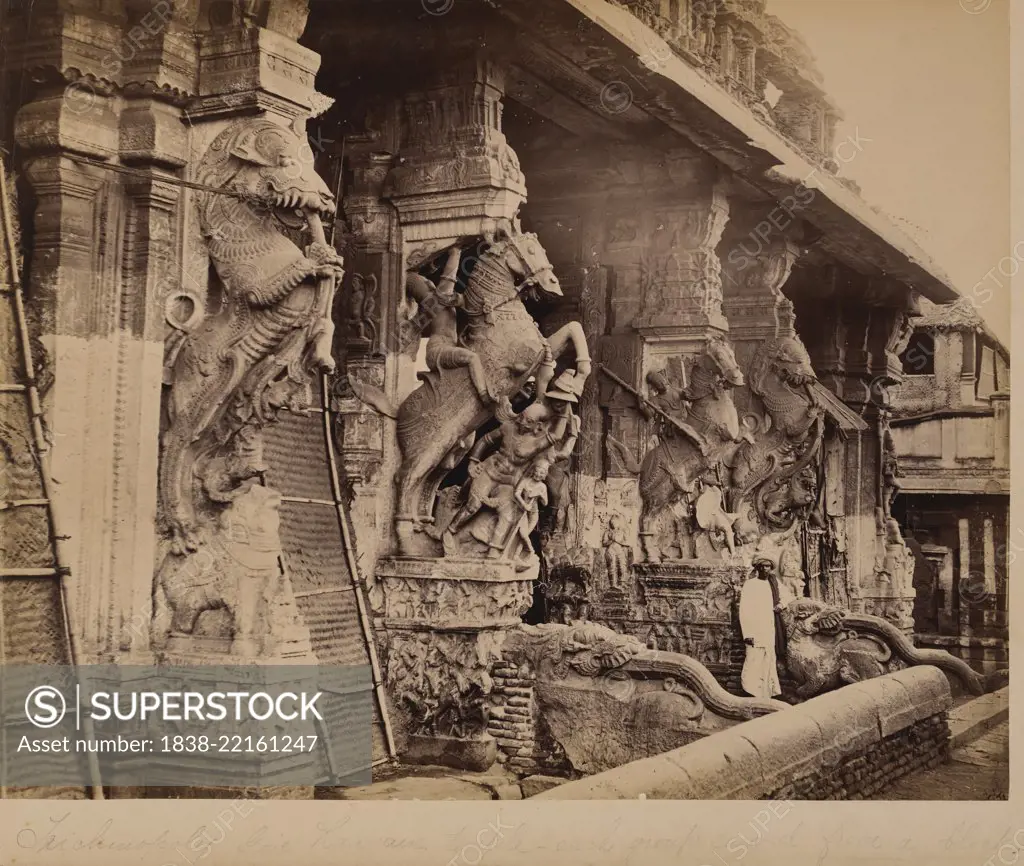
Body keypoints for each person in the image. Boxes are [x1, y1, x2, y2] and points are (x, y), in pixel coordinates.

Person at [739, 554, 786, 699]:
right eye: (763, 566)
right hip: (754, 628)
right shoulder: (750, 584)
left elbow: (788, 596)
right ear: (758, 568)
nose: (766, 569)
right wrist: (747, 634)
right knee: (753, 659)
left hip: (769, 627)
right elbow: (744, 610)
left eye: (768, 566)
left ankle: (766, 693)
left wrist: (780, 605)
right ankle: (749, 691)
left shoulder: (774, 582)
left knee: (768, 659)